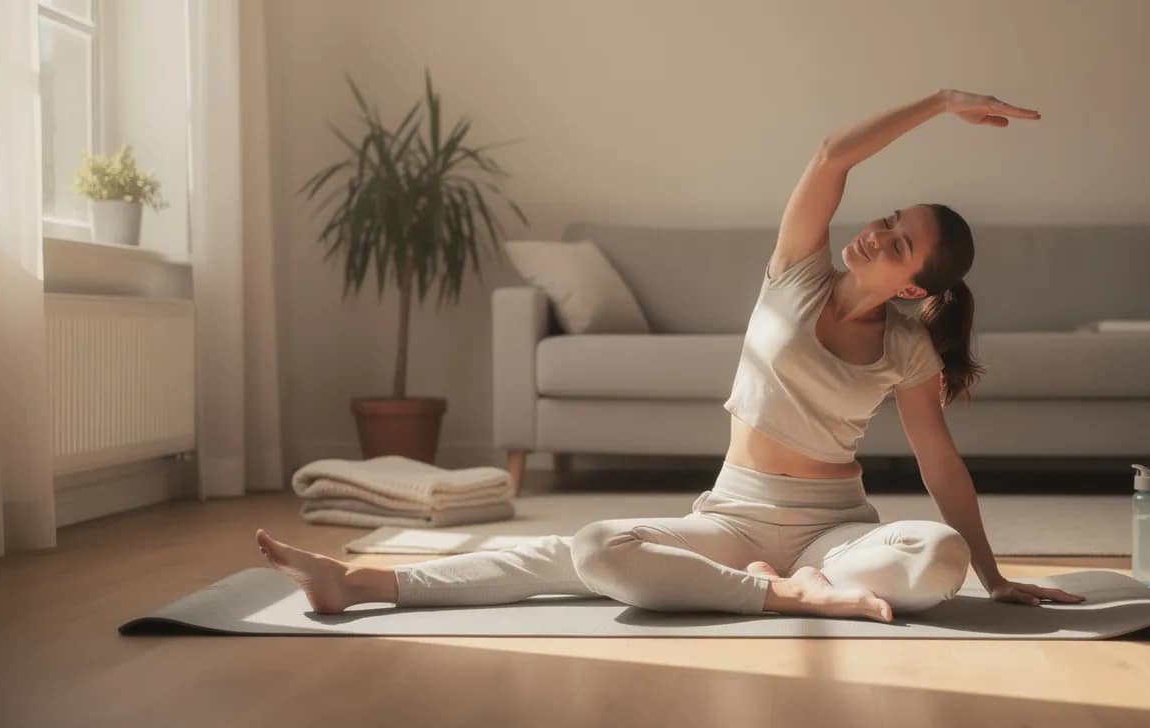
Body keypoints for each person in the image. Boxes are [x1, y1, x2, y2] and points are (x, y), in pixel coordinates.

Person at [256, 88, 1086, 620]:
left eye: (899, 244)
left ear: (910, 286)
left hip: (834, 530)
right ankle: (355, 583)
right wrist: (940, 102)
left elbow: (941, 466)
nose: (877, 233)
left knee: (937, 559)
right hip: (733, 516)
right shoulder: (796, 271)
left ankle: (798, 586)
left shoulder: (907, 351)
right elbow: (832, 155)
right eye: (890, 219)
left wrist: (991, 574)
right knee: (589, 550)